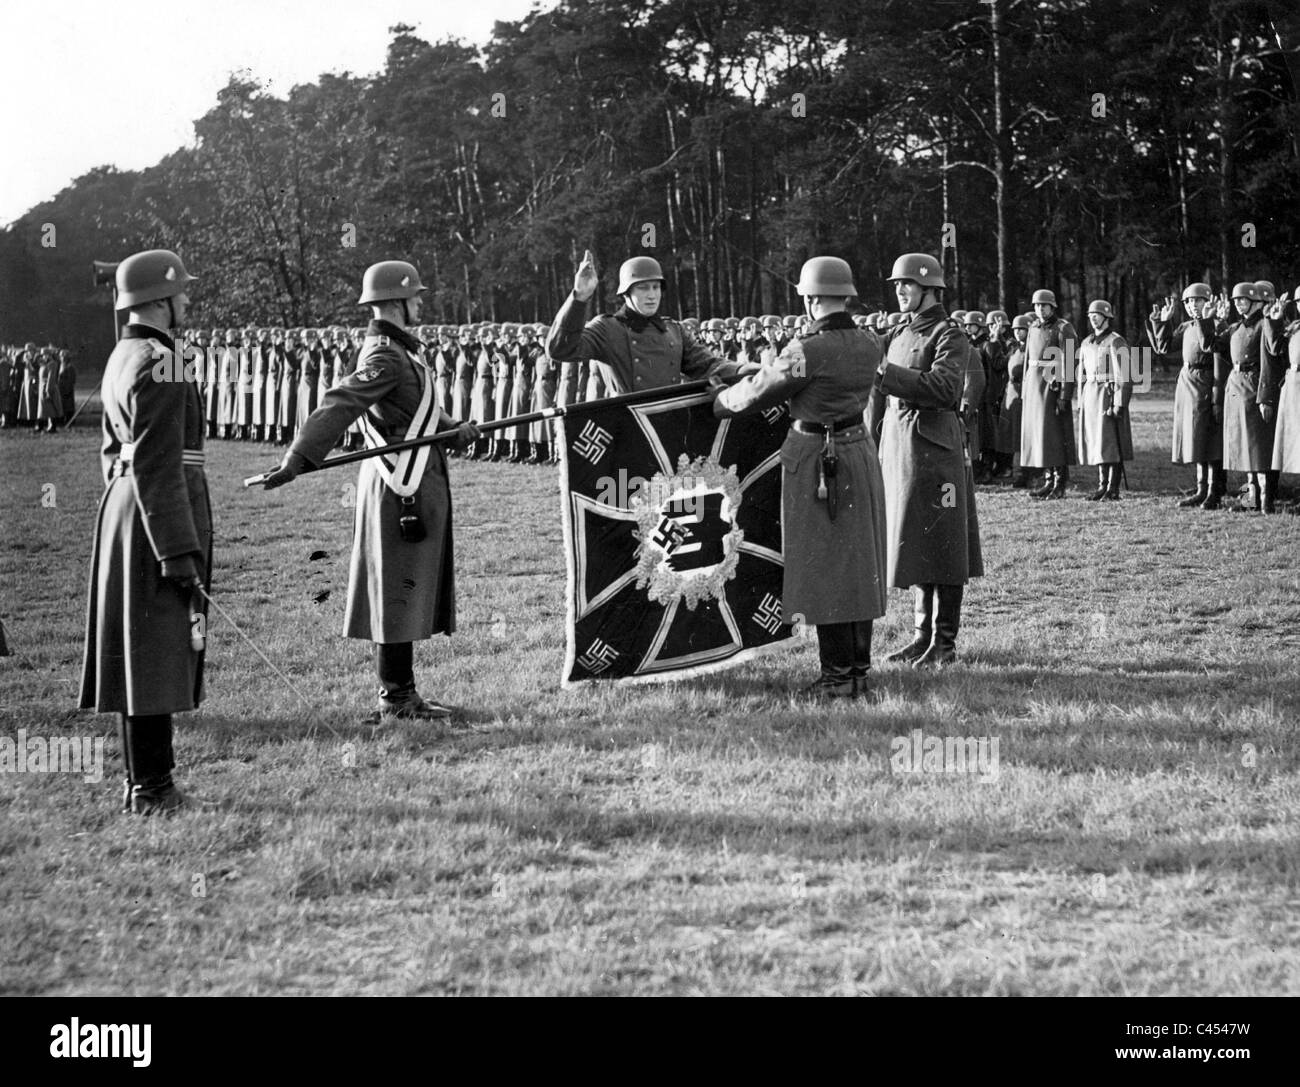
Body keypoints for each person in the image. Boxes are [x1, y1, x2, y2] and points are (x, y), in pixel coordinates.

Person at [262, 261, 480, 721]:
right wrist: (299, 457)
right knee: (397, 589)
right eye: (415, 296)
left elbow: (413, 410)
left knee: (407, 584)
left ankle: (403, 693)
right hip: (401, 484)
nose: (420, 302)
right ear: (397, 301)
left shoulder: (401, 353)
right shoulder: (384, 355)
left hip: (416, 478)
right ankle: (396, 698)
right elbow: (342, 401)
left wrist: (453, 429)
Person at [714, 257, 886, 697]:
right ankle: (857, 674)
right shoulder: (869, 344)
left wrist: (719, 399)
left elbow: (756, 393)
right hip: (859, 454)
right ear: (844, 295)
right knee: (856, 564)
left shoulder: (807, 350)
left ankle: (835, 680)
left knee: (827, 569)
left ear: (810, 299)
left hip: (816, 463)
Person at [80, 249, 209, 816]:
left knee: (139, 652)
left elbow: (116, 452)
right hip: (157, 516)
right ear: (160, 299)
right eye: (181, 293)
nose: (186, 301)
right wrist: (178, 549)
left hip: (128, 510)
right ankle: (153, 788)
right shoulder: (163, 358)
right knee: (155, 652)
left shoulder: (122, 353)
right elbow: (160, 464)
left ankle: (145, 783)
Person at [867, 253, 983, 667]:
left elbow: (944, 388)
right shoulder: (899, 331)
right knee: (918, 540)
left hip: (936, 451)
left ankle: (945, 643)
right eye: (896, 285)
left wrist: (886, 374)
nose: (900, 291)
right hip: (903, 450)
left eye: (907, 285)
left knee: (944, 545)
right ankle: (921, 636)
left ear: (930, 290)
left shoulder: (949, 335)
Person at [546, 252, 747, 396]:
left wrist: (746, 371)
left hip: (669, 423)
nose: (651, 295)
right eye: (642, 288)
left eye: (655, 287)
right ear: (626, 294)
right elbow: (560, 350)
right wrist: (579, 297)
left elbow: (709, 365)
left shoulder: (674, 330)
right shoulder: (607, 328)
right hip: (628, 428)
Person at [1146, 283, 1225, 508]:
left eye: (1197, 301)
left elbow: (1219, 359)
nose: (1192, 306)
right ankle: (1201, 488)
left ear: (1208, 302)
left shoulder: (1217, 324)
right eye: (1189, 302)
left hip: (1208, 382)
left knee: (1210, 439)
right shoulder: (1186, 326)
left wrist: (1216, 395)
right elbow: (1164, 346)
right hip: (1187, 382)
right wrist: (1161, 322)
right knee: (1195, 437)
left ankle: (1214, 490)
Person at [1201, 282, 1271, 511]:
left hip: (1254, 387)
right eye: (1236, 300)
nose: (1238, 303)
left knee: (1258, 448)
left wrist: (1264, 397)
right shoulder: (1235, 328)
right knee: (1244, 449)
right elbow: (1211, 345)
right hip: (1236, 388)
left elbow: (1269, 363)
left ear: (1256, 302)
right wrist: (1206, 320)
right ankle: (1249, 499)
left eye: (1242, 299)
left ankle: (1265, 502)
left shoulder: (1264, 325)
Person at [1020, 288, 1078, 498]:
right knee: (1040, 436)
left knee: (1055, 436)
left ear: (1053, 306)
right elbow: (1028, 359)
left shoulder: (1064, 329)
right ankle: (1048, 479)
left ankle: (1060, 483)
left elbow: (1071, 363)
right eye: (1036, 306)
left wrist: (1065, 394)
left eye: (1044, 305)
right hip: (1035, 387)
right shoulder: (1033, 327)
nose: (1040, 309)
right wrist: (1026, 387)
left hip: (1053, 386)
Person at [1076, 300, 1134, 500]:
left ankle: (1113, 487)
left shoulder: (1116, 341)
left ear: (1107, 317)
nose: (1093, 317)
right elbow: (1081, 375)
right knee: (1097, 442)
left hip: (1108, 395)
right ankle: (1101, 485)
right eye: (1091, 314)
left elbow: (1125, 376)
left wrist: (1120, 403)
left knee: (1110, 443)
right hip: (1091, 395)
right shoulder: (1086, 342)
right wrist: (1080, 400)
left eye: (1098, 314)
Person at [57, 349, 77, 427]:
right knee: (62, 406)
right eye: (61, 356)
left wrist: (67, 390)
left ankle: (70, 420)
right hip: (61, 389)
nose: (61, 358)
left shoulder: (70, 367)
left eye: (62, 356)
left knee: (69, 407)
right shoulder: (61, 366)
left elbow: (71, 380)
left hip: (67, 390)